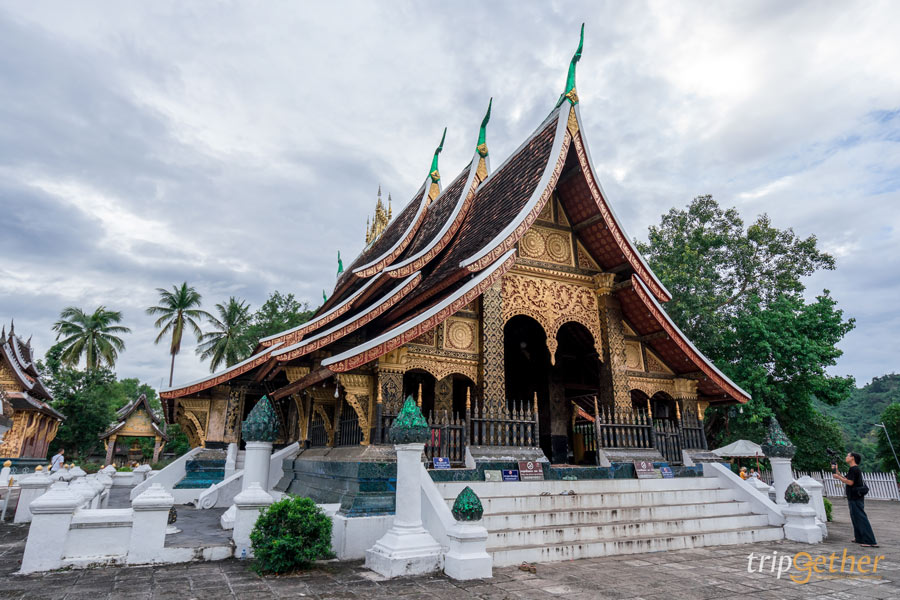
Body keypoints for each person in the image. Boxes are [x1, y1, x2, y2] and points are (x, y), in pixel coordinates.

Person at [833, 451, 878, 547]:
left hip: (856, 497)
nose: (846, 457)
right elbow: (845, 478)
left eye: (847, 455)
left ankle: (870, 541)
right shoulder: (852, 469)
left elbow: (850, 482)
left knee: (861, 518)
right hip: (853, 497)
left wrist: (838, 478)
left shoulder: (854, 469)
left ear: (852, 458)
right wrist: (836, 471)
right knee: (855, 518)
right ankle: (859, 538)